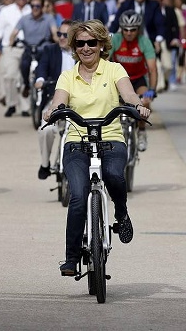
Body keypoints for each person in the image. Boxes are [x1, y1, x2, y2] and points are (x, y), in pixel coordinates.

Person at [43, 20, 150, 276]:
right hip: (77, 142)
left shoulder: (114, 70)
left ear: (102, 44)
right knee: (78, 195)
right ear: (74, 47)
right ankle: (71, 258)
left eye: (92, 42)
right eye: (80, 43)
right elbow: (59, 100)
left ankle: (121, 213)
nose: (86, 48)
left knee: (114, 175)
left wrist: (137, 106)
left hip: (110, 137)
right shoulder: (68, 76)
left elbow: (129, 95)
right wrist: (53, 110)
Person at [108, 10, 157, 152]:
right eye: (126, 29)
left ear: (138, 29)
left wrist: (152, 90)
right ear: (121, 29)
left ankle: (141, 131)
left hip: (138, 80)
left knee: (145, 103)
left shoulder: (144, 41)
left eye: (133, 30)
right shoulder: (115, 39)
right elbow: (104, 60)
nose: (129, 33)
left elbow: (152, 68)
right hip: (119, 80)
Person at [34, 20, 76, 180]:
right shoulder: (49, 50)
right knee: (45, 130)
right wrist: (40, 79)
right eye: (59, 34)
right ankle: (45, 164)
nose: (62, 38)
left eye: (66, 35)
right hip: (54, 98)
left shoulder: (82, 52)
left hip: (78, 102)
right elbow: (42, 67)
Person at [9, 0, 58, 100]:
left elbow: (54, 32)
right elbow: (14, 33)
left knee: (45, 67)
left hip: (43, 50)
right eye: (33, 6)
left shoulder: (48, 18)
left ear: (42, 6)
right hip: (29, 50)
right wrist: (11, 43)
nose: (35, 8)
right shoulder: (24, 19)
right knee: (24, 65)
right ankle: (26, 85)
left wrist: (57, 40)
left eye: (38, 6)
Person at [0, 0, 31, 117]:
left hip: (28, 48)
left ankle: (25, 107)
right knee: (10, 77)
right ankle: (11, 104)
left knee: (25, 78)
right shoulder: (5, 11)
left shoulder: (31, 10)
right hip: (10, 48)